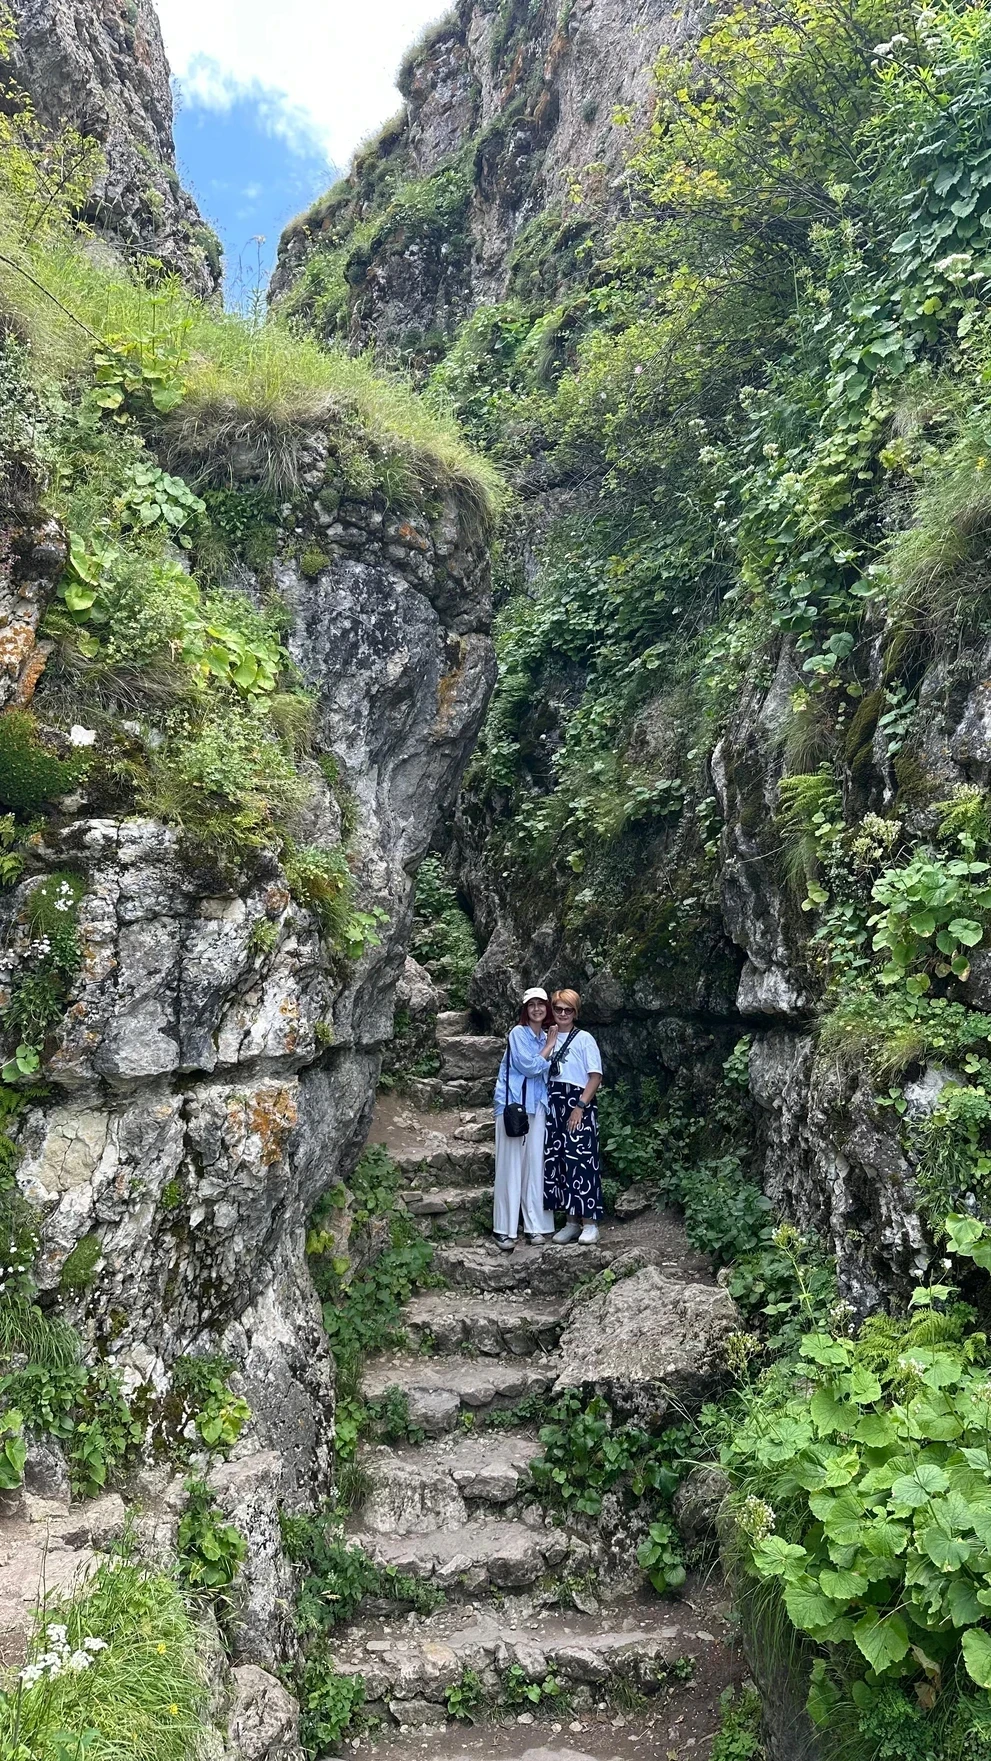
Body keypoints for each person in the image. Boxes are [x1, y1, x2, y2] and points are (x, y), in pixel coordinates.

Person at [492, 987, 559, 1251]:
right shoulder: (518, 1034)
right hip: (513, 1106)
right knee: (510, 1167)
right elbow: (529, 1067)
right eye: (531, 1005)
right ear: (525, 1009)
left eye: (541, 1004)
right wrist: (549, 1047)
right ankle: (504, 1229)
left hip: (537, 1105)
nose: (537, 1009)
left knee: (534, 1166)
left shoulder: (545, 1035)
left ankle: (535, 1226)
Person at [543, 989, 604, 1245]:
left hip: (577, 1102)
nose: (563, 1013)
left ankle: (589, 1223)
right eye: (558, 1009)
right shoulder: (547, 1036)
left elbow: (595, 1076)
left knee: (581, 1161)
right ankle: (570, 1222)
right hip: (553, 1102)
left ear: (575, 1012)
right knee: (559, 1163)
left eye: (568, 1009)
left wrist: (580, 1106)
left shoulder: (584, 1038)